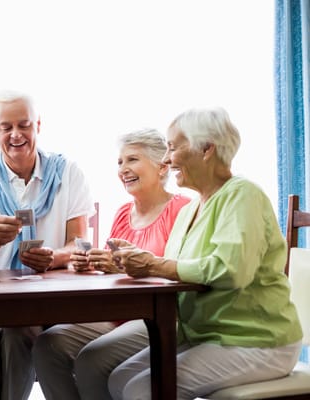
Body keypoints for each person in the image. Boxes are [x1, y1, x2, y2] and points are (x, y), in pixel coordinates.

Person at [107, 107, 303, 399]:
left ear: (207, 148)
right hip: (204, 336)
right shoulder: (189, 210)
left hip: (256, 341)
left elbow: (230, 270)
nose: (166, 158)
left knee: (141, 389)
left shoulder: (243, 194)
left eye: (173, 147)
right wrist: (137, 260)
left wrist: (155, 266)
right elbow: (177, 267)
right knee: (119, 377)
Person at [32, 128, 190, 400]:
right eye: (119, 162)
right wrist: (89, 263)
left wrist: (119, 266)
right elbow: (110, 268)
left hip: (162, 318)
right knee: (48, 345)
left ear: (162, 167)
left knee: (92, 360)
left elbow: (182, 272)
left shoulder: (182, 210)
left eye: (132, 160)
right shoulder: (121, 213)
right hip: (119, 315)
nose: (123, 169)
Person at [0, 90, 95, 400]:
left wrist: (55, 257)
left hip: (54, 299)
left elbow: (82, 243)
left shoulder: (68, 173)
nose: (16, 135)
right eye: (6, 127)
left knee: (18, 332)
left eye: (24, 125)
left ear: (38, 126)